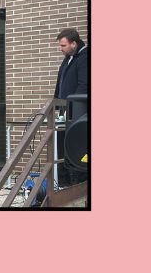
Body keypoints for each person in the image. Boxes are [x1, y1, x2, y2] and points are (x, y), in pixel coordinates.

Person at [54, 28, 89, 186]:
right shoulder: (68, 57)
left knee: (75, 147)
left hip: (77, 113)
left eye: (63, 45)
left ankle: (77, 183)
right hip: (64, 111)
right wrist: (56, 106)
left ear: (74, 44)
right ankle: (63, 181)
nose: (60, 48)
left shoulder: (84, 57)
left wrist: (72, 108)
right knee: (61, 145)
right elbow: (60, 83)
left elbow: (84, 85)